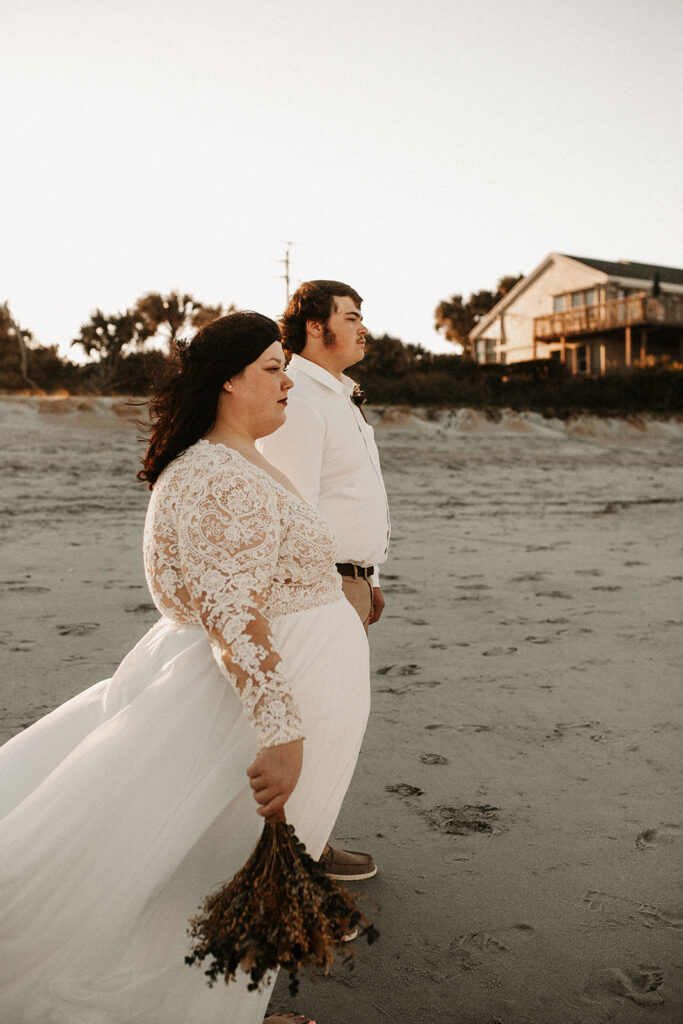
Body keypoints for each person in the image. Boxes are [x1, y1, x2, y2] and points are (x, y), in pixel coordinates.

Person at [0, 312, 370, 1024]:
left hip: (271, 692)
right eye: (270, 367)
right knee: (209, 867)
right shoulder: (211, 474)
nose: (286, 379)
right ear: (228, 380)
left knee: (214, 864)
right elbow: (233, 613)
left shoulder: (238, 460)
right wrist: (282, 730)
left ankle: (219, 1007)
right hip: (240, 710)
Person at [258, 281, 390, 883]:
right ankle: (296, 850)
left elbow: (349, 499)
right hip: (320, 587)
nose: (364, 328)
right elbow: (294, 506)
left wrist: (371, 577)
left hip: (351, 584)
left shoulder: (340, 397)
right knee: (317, 718)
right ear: (316, 326)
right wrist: (331, 590)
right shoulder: (302, 399)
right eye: (352, 317)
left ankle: (309, 836)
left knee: (335, 720)